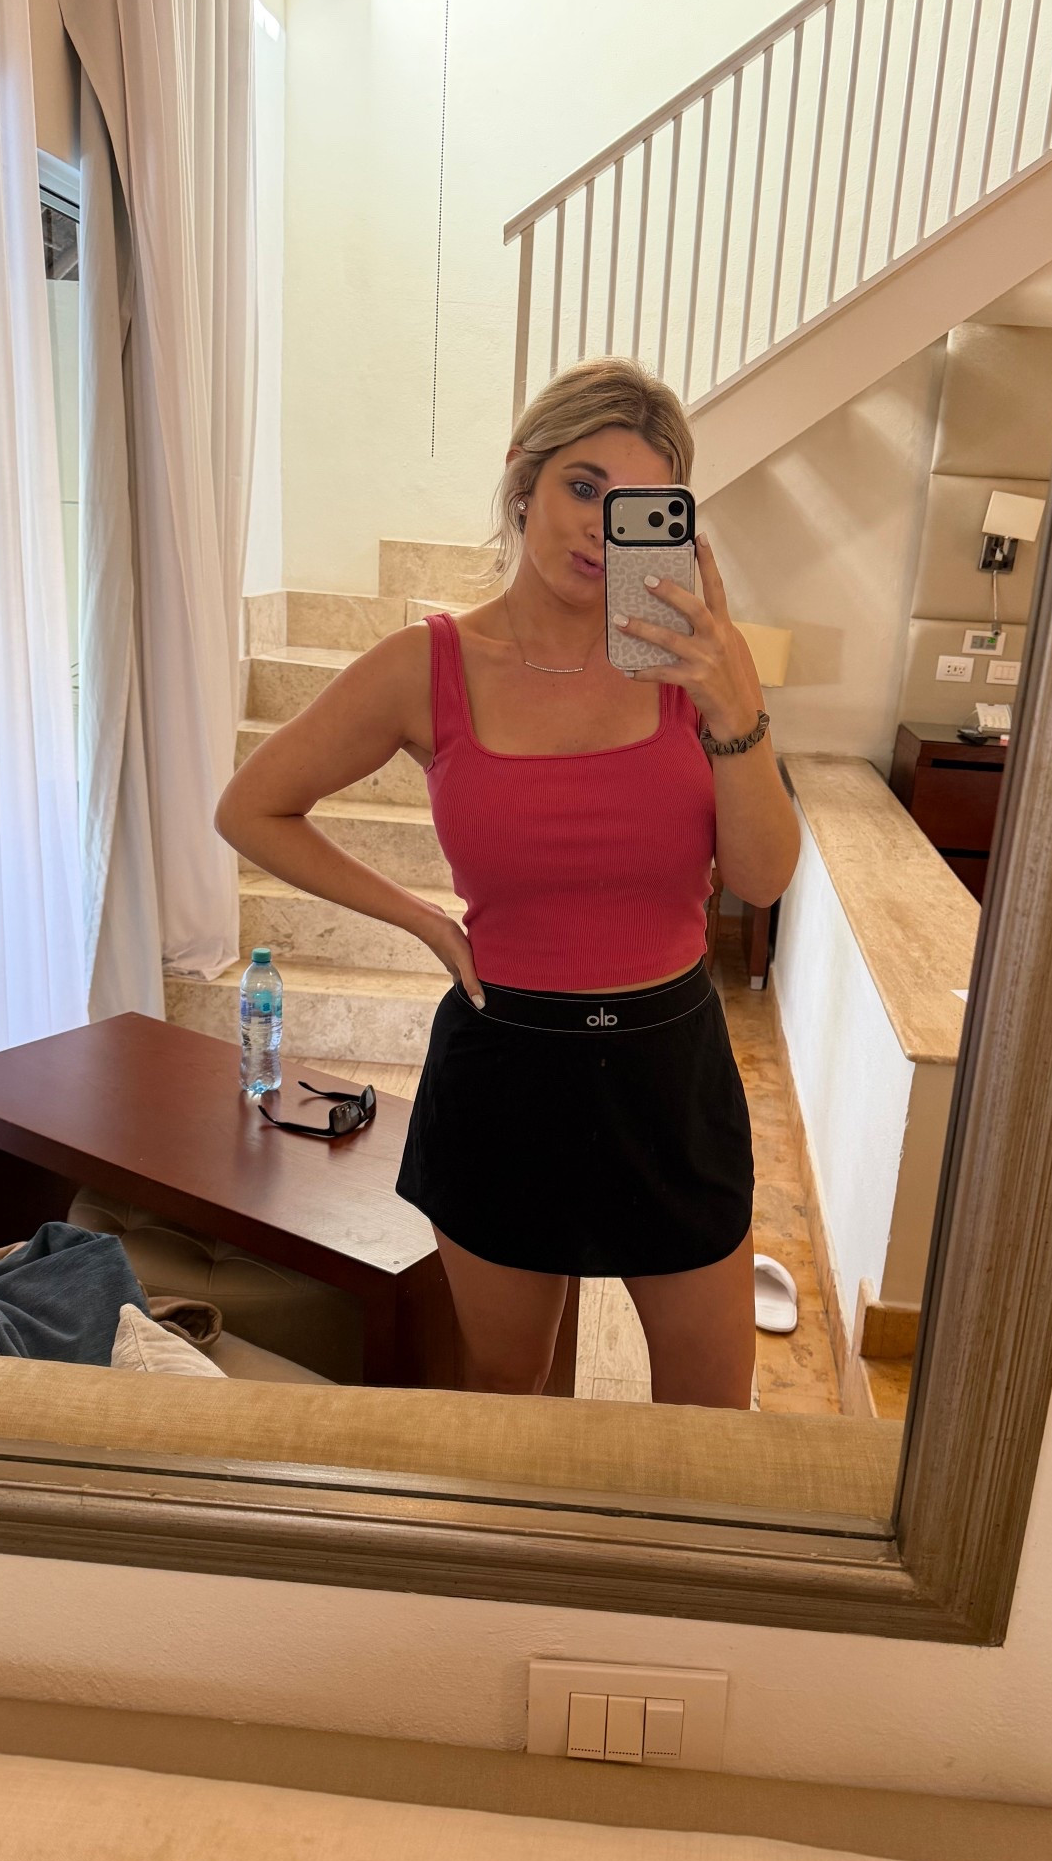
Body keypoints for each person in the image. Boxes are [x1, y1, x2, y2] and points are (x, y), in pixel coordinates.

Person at [216, 358, 799, 1407]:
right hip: (506, 1073)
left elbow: (760, 878)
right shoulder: (427, 665)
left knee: (711, 1410)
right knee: (505, 1385)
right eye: (582, 486)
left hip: (669, 1071)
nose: (601, 529)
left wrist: (731, 704)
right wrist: (423, 921)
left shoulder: (698, 668)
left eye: (636, 508)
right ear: (523, 479)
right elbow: (252, 806)